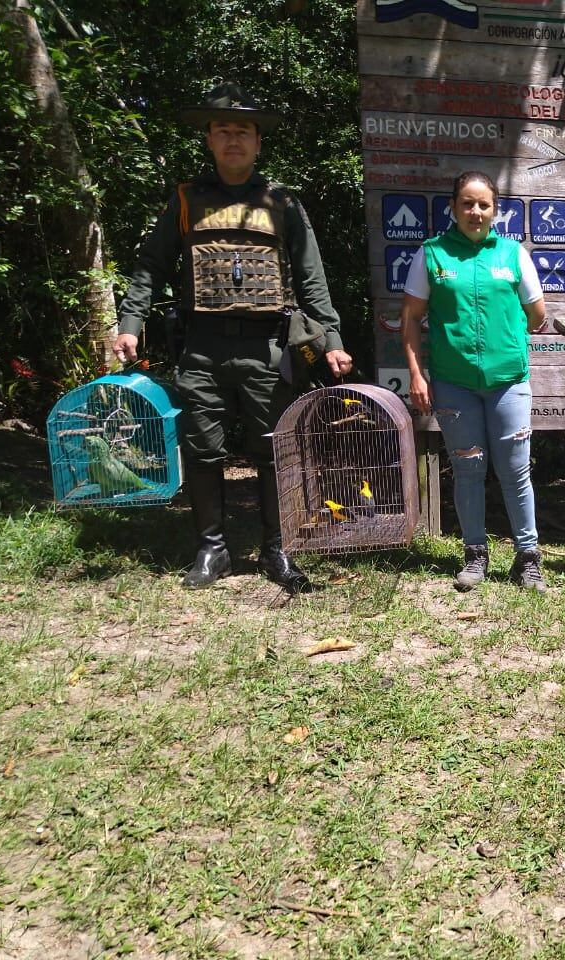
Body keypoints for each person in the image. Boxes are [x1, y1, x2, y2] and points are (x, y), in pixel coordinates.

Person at [112, 82, 352, 593]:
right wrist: (130, 324)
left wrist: (331, 339)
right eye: (223, 130)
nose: (233, 139)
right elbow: (151, 265)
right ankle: (212, 550)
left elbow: (312, 278)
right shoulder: (185, 200)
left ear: (258, 141)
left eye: (243, 130)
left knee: (273, 448)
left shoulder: (282, 203)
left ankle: (277, 550)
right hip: (202, 347)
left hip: (269, 347)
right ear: (209, 139)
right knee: (202, 449)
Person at [399, 171, 565, 593]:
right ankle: (474, 556)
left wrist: (505, 338)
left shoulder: (513, 254)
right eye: (467, 203)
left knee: (515, 473)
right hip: (454, 384)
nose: (475, 212)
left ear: (495, 211)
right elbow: (410, 319)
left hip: (508, 381)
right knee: (469, 471)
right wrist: (417, 374)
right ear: (452, 207)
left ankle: (528, 559)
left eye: (484, 204)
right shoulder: (432, 254)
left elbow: (537, 314)